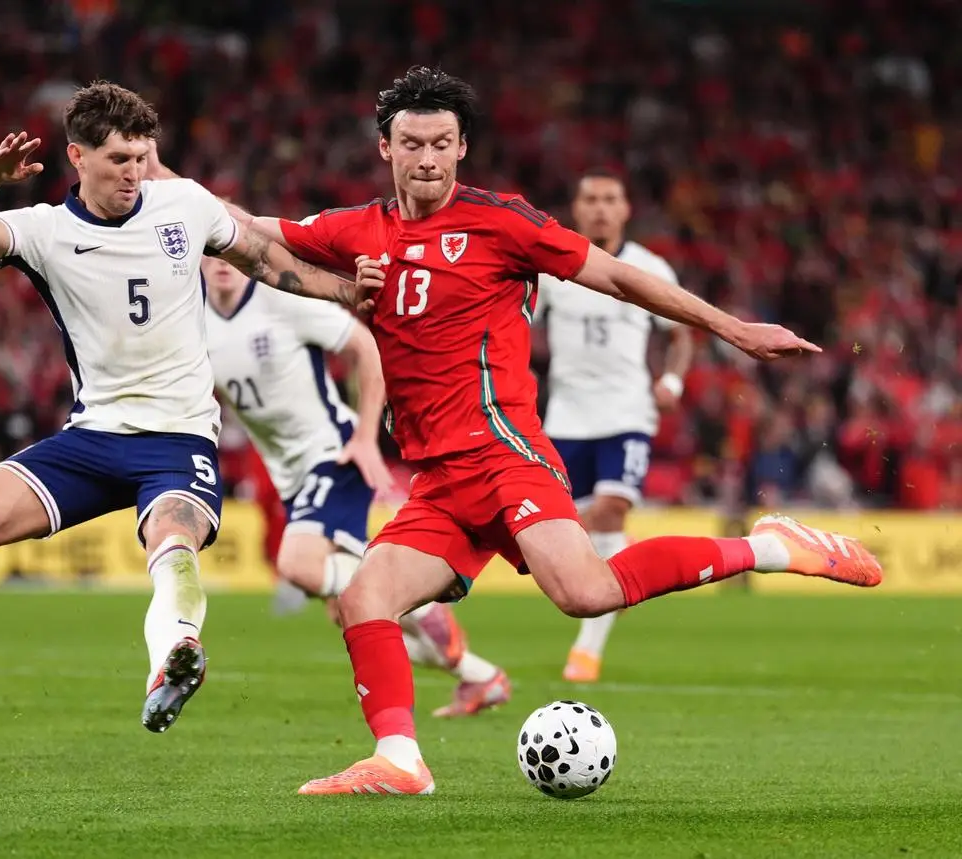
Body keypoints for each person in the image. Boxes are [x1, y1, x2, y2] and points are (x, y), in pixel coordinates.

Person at [233, 66, 882, 795]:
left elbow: (618, 277)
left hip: (504, 451)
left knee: (584, 591)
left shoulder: (502, 221)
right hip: (439, 478)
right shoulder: (359, 229)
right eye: (411, 143)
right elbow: (252, 234)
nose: (427, 160)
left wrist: (730, 327)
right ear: (385, 147)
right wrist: (169, 198)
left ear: (462, 147)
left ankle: (771, 546)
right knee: (364, 598)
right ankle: (400, 759)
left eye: (441, 143)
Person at [0, 81, 358, 783]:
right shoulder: (46, 231)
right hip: (92, 437)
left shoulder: (184, 204)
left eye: (141, 156)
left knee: (171, 538)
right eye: (117, 159)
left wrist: (347, 292)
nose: (134, 172)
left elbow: (263, 257)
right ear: (77, 156)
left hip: (178, 440)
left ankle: (173, 656)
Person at [203, 256, 511, 717]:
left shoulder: (281, 302)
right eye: (210, 252)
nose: (222, 263)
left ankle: (423, 610)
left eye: (228, 250)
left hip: (335, 452)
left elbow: (365, 345)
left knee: (298, 564)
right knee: (352, 612)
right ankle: (480, 676)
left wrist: (366, 437)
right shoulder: (194, 323)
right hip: (293, 477)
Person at [533, 170, 694, 683]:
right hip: (567, 418)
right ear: (576, 209)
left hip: (627, 414)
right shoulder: (554, 266)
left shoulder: (649, 267)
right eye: (591, 200)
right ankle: (620, 584)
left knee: (609, 510)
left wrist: (672, 380)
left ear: (625, 210)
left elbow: (681, 332)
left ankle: (586, 652)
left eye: (610, 200)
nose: (600, 209)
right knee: (572, 533)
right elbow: (517, 324)